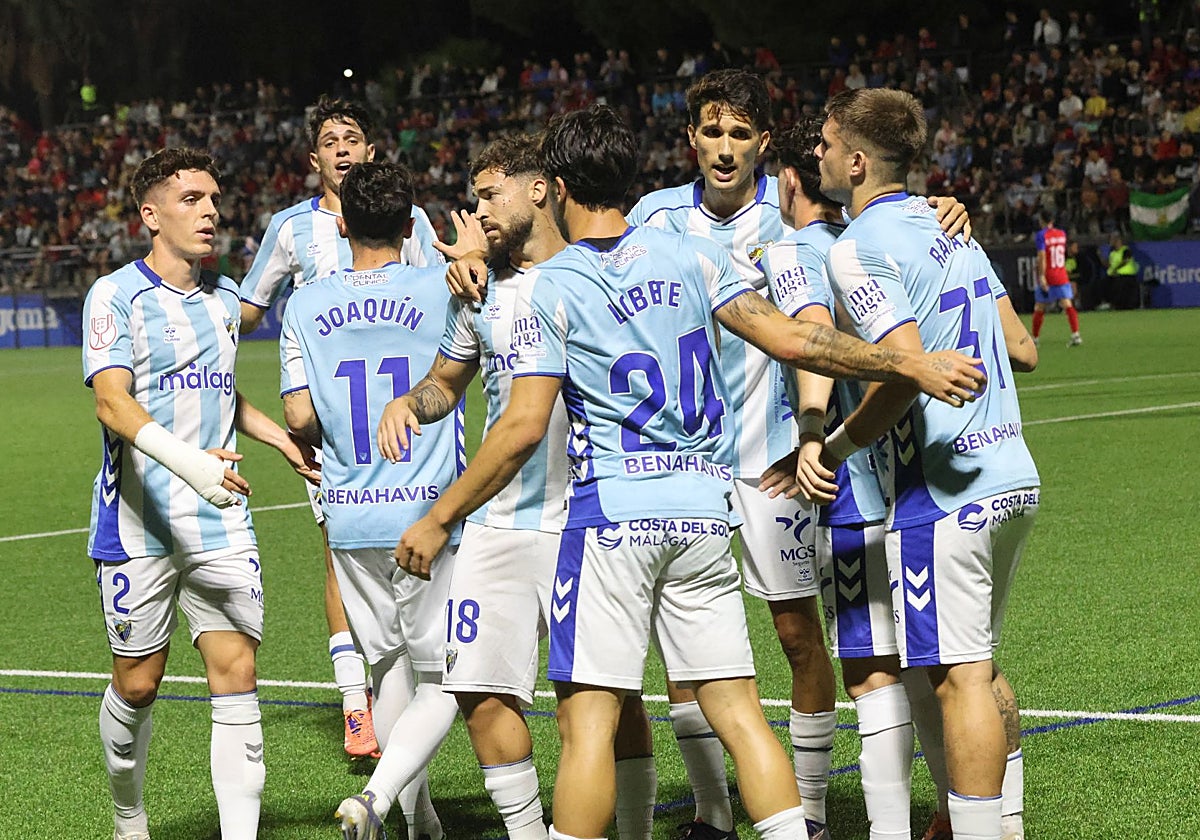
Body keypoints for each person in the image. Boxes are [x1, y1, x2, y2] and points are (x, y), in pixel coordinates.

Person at [394, 104, 984, 840]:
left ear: (559, 185)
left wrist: (439, 515)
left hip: (612, 520)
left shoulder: (555, 286)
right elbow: (797, 339)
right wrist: (907, 361)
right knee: (738, 712)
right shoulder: (690, 258)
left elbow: (519, 428)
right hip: (703, 515)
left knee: (586, 724)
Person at [626, 69, 970, 840]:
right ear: (689, 139)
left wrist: (944, 207)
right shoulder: (650, 218)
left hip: (769, 463)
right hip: (677, 469)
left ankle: (809, 812)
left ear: (762, 144)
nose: (723, 148)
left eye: (739, 134)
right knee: (684, 652)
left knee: (795, 635)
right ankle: (714, 814)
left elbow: (815, 336)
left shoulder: (793, 239)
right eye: (711, 132)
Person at [376, 133, 657, 840]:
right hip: (498, 524)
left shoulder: (601, 272)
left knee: (600, 703)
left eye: (490, 195)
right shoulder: (480, 291)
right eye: (475, 199)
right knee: (479, 696)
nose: (478, 213)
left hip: (584, 522)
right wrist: (409, 402)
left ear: (541, 189)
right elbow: (446, 383)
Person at [812, 88, 1040, 840]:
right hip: (1013, 473)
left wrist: (836, 447)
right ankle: (998, 822)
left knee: (958, 677)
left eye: (823, 142)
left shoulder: (855, 246)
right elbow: (1022, 348)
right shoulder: (952, 228)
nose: (815, 154)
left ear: (854, 160)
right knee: (969, 664)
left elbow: (904, 370)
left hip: (945, 492)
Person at [83, 147, 320, 840]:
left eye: (214, 198)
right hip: (139, 524)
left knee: (236, 670)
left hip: (221, 519)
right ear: (150, 215)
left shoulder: (222, 301)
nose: (211, 210)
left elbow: (216, 389)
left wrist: (277, 438)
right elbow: (112, 405)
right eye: (192, 199)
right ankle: (130, 817)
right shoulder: (115, 295)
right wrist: (192, 464)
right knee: (139, 685)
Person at [239, 96, 445, 760]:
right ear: (314, 159)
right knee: (338, 547)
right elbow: (246, 308)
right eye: (329, 140)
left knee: (389, 549)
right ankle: (357, 704)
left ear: (370, 151)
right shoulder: (291, 228)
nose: (342, 148)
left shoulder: (408, 221)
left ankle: (397, 695)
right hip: (334, 427)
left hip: (405, 420)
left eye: (352, 137)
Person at [276, 161, 460, 840]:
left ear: (343, 223)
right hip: (430, 510)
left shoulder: (304, 304)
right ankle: (384, 801)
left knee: (386, 668)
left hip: (350, 513)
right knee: (445, 676)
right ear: (411, 227)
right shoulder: (442, 287)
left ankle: (424, 823)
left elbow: (298, 415)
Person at [1032, 214, 1081, 346]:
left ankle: (1035, 339)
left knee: (1039, 306)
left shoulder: (1041, 235)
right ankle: (1076, 334)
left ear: (1041, 221)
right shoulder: (1061, 234)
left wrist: (1041, 276)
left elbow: (1042, 256)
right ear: (1052, 221)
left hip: (1048, 274)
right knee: (1067, 304)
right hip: (1061, 273)